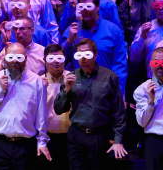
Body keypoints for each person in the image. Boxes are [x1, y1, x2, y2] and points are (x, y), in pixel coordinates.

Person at [54, 38, 127, 170]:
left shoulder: (109, 77)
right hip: (76, 135)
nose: (83, 58)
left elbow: (119, 111)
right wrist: (66, 90)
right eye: (79, 55)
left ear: (95, 55)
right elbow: (59, 109)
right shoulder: (71, 77)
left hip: (100, 135)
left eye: (87, 54)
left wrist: (118, 140)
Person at [0, 42, 51, 170]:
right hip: (0, 143)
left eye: (19, 57)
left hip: (25, 145)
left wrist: (42, 142)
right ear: (4, 58)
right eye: (10, 57)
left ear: (25, 58)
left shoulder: (36, 82)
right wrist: (0, 90)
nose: (15, 61)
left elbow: (42, 115)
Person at [60, 0, 127, 94]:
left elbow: (120, 65)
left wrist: (119, 93)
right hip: (79, 91)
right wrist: (69, 41)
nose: (85, 10)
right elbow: (61, 61)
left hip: (106, 90)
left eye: (89, 6)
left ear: (97, 7)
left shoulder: (113, 31)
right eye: (82, 6)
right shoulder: (71, 31)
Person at [41, 44, 71, 170]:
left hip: (71, 137)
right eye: (51, 59)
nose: (56, 62)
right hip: (47, 137)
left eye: (59, 58)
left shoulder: (73, 78)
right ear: (44, 60)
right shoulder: (38, 81)